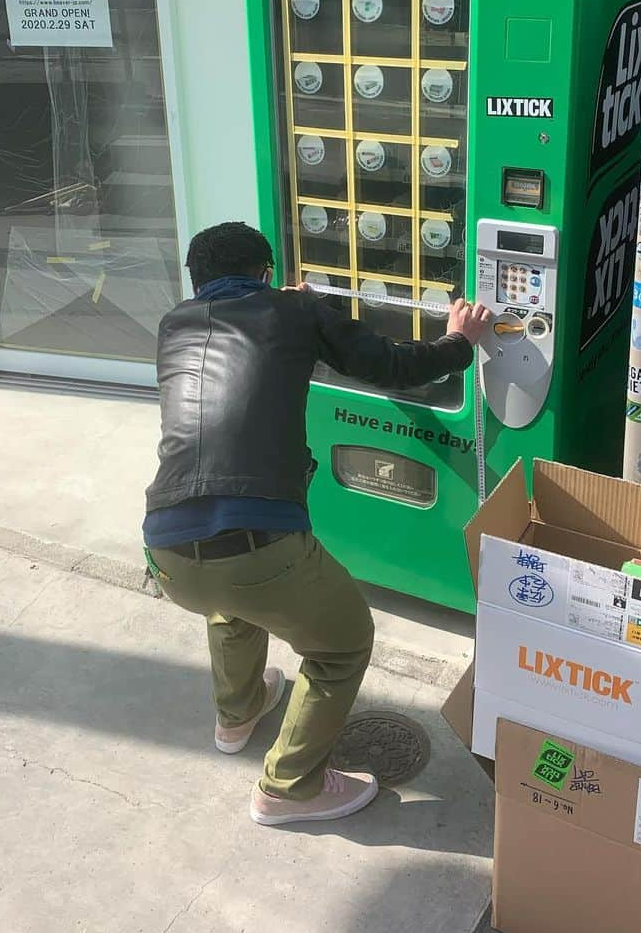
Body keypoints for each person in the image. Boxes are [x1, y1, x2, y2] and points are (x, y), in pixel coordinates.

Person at [143, 221, 490, 826]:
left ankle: (238, 712)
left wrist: (293, 308)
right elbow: (391, 366)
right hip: (260, 539)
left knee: (229, 603)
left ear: (195, 281)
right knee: (341, 644)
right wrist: (460, 340)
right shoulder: (295, 309)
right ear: (266, 272)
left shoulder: (173, 324)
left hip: (166, 547)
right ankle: (290, 787)